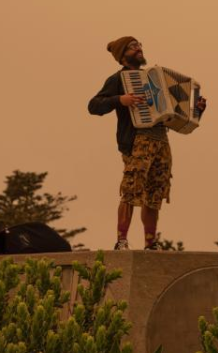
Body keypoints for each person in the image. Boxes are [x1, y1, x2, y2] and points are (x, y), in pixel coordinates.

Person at [88, 36, 207, 250]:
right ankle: (122, 240)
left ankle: (150, 244)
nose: (139, 49)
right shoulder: (118, 79)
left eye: (140, 45)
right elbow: (94, 105)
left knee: (155, 193)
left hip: (161, 140)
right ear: (123, 54)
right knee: (131, 189)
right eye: (133, 46)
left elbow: (177, 115)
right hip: (137, 141)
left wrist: (196, 109)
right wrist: (120, 100)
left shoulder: (152, 77)